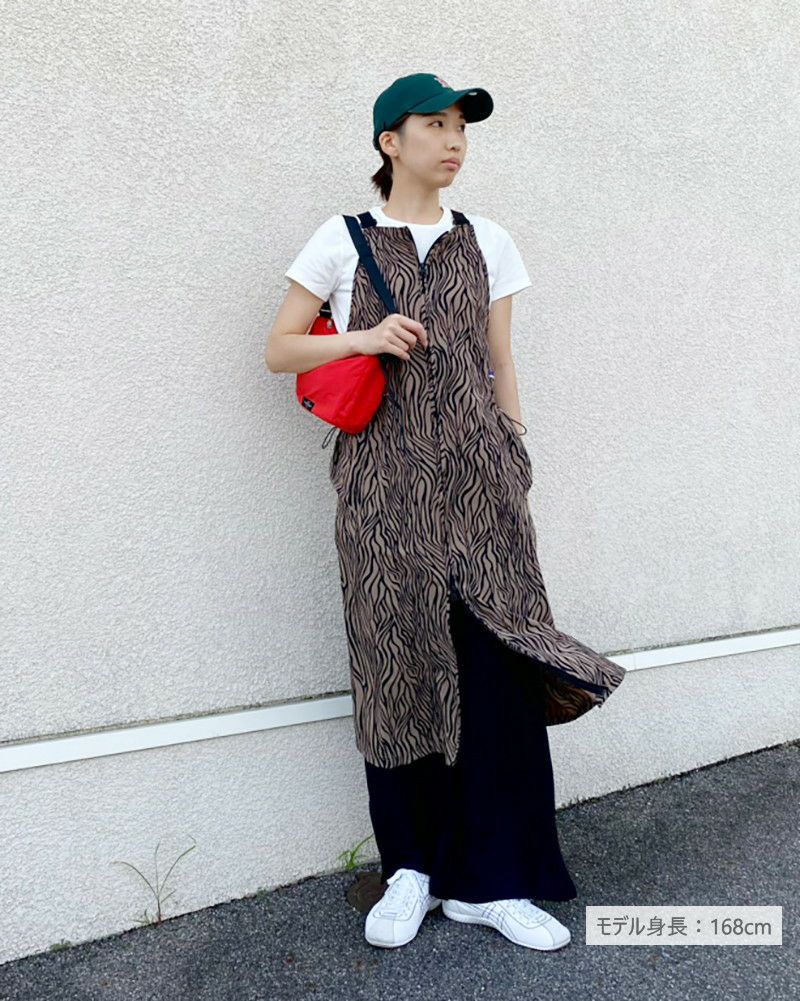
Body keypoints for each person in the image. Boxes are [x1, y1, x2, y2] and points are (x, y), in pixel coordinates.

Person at [266, 73, 626, 952]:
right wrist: (363, 336)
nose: (454, 139)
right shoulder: (341, 239)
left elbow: (501, 357)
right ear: (390, 141)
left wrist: (514, 445)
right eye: (435, 124)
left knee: (496, 674)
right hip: (381, 491)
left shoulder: (489, 239)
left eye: (461, 125)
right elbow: (279, 348)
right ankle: (412, 870)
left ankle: (493, 882)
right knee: (396, 669)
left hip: (483, 489)